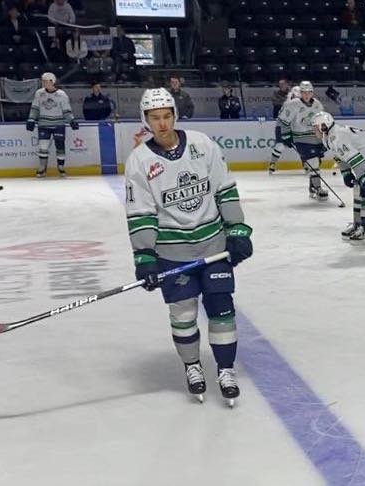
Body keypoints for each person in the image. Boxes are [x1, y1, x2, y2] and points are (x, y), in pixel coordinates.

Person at [123, 88, 253, 406]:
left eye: (167, 116)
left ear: (175, 116)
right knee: (183, 313)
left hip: (213, 244)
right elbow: (141, 213)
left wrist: (236, 229)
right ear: (146, 121)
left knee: (222, 307)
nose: (163, 123)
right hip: (172, 251)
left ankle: (225, 369)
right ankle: (192, 366)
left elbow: (224, 188)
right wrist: (145, 257)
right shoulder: (139, 161)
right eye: (155, 118)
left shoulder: (201, 144)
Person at [311, 111, 365, 242]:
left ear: (324, 125)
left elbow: (355, 158)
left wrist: (363, 177)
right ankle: (358, 224)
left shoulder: (337, 136)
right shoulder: (328, 138)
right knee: (358, 188)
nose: (313, 130)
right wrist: (346, 173)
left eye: (315, 126)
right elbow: (340, 156)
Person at [277, 81, 328, 199]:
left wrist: (324, 135)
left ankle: (312, 187)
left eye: (308, 92)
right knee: (313, 162)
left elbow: (322, 121)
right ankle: (318, 187)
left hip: (316, 138)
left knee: (316, 163)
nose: (306, 95)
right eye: (303, 92)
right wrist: (286, 135)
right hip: (301, 138)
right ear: (300, 93)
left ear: (312, 92)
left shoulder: (317, 105)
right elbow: (284, 120)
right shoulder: (293, 104)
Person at [27, 72, 78, 177]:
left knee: (60, 147)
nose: (43, 83)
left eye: (46, 81)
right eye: (43, 81)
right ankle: (42, 167)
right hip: (43, 124)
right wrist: (31, 119)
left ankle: (61, 167)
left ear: (52, 81)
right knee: (43, 147)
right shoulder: (39, 93)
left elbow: (67, 111)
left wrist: (72, 120)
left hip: (58, 124)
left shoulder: (61, 95)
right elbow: (35, 108)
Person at [268, 85, 300, 173]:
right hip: (281, 127)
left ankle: (307, 165)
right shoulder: (288, 104)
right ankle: (272, 164)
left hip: (294, 127)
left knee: (302, 145)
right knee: (280, 146)